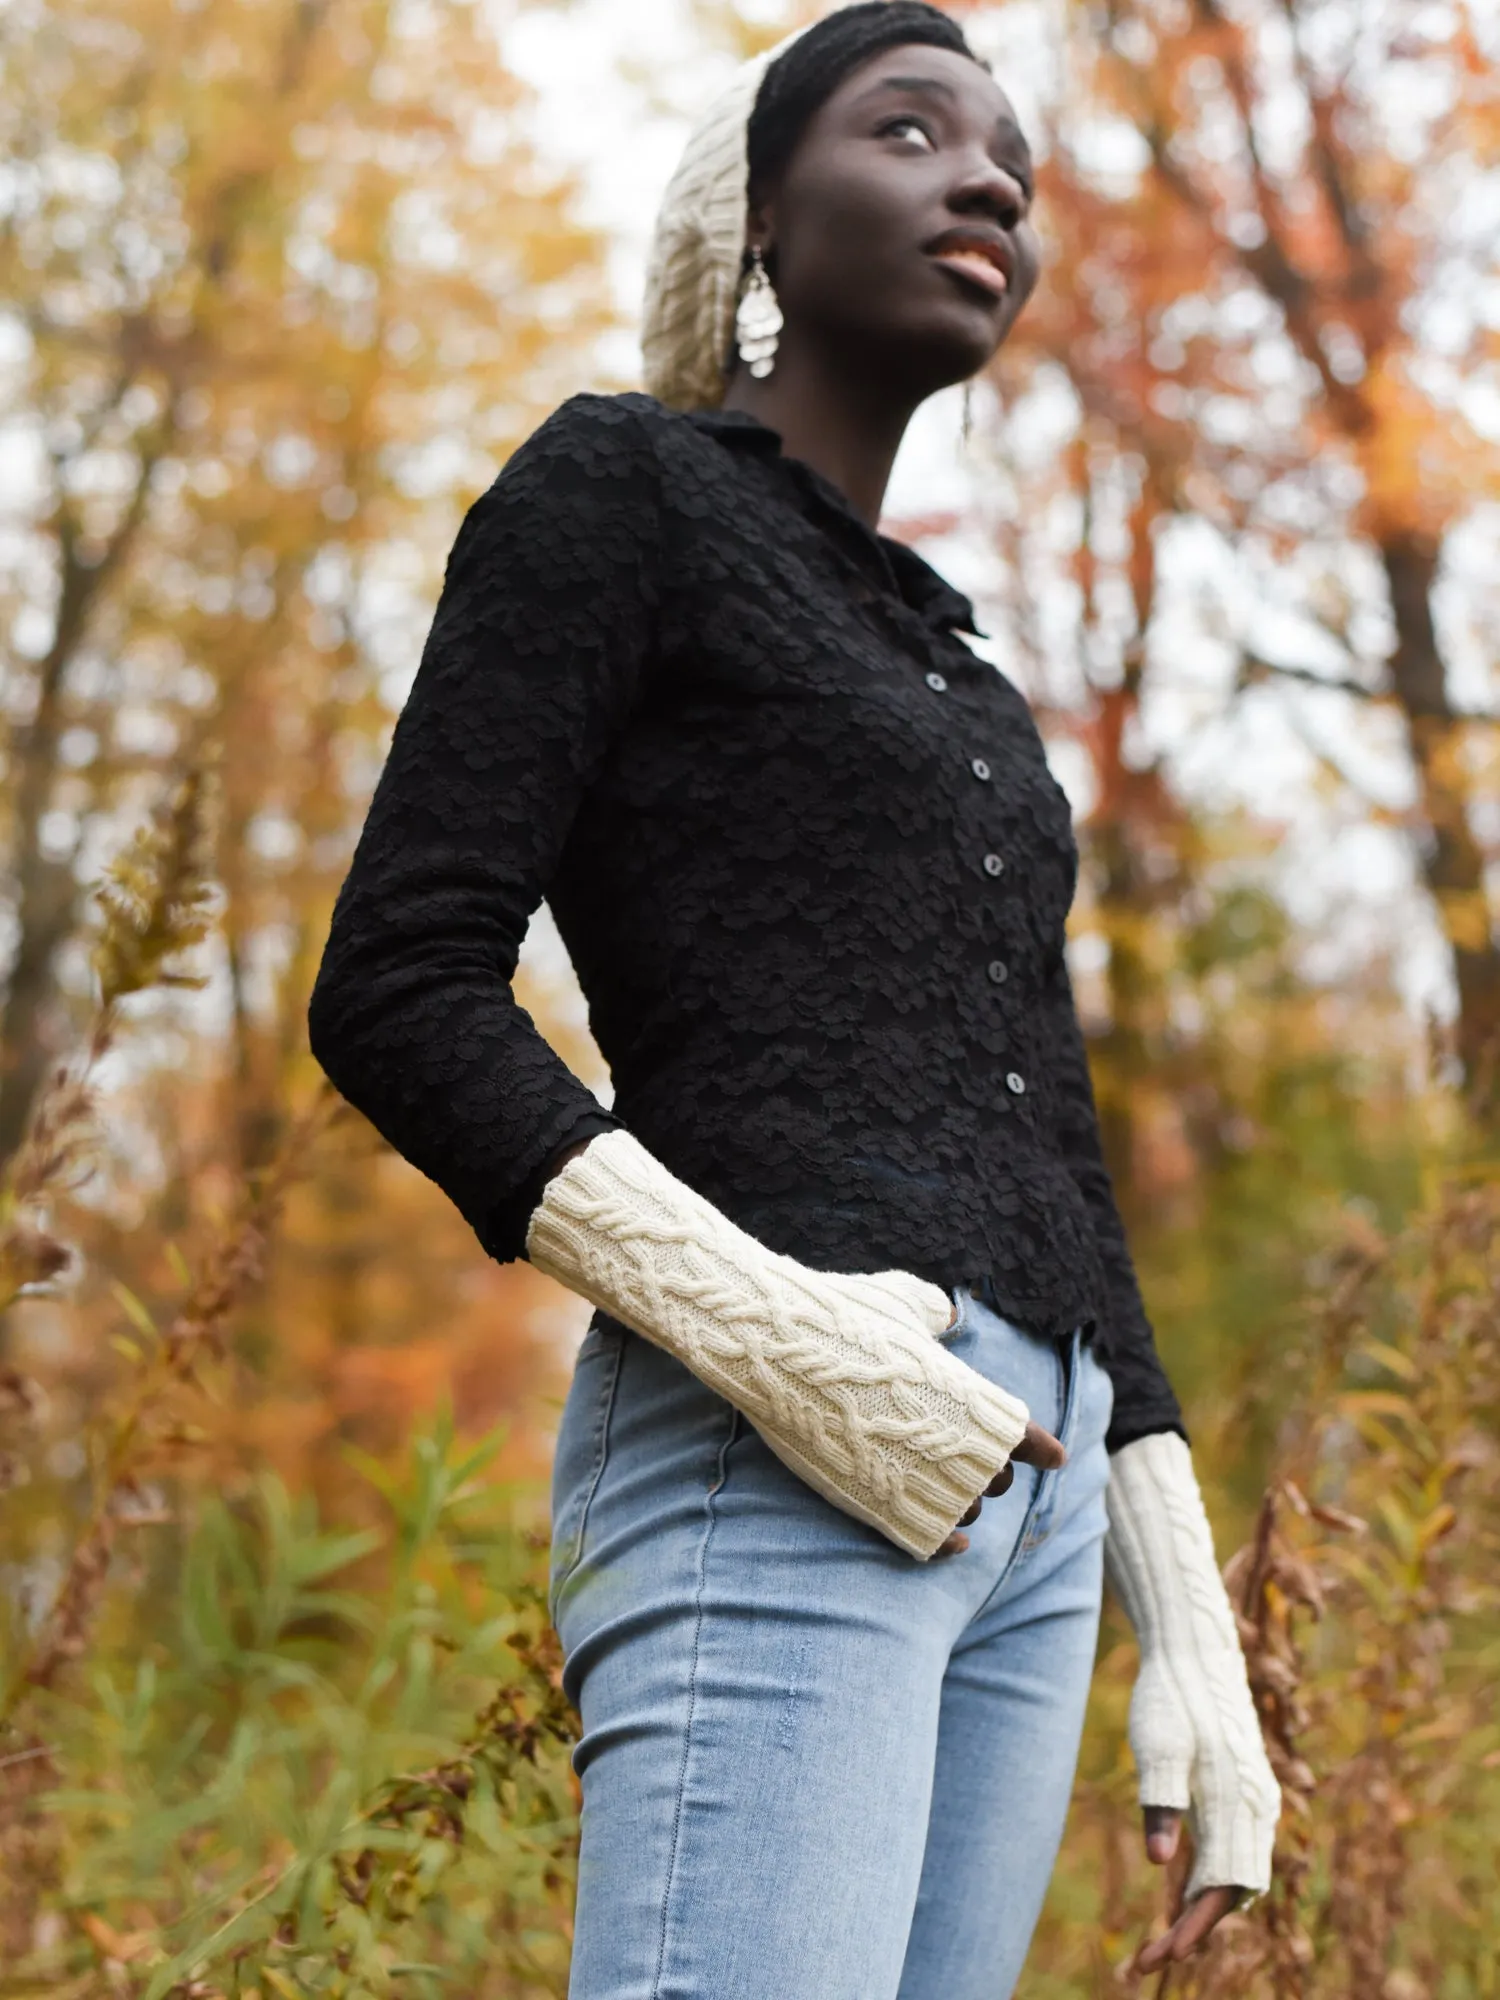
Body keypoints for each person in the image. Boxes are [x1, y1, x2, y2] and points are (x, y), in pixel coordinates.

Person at [307, 6, 1280, 1995]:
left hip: (1034, 1511)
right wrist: (778, 1337)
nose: (988, 175)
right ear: (757, 218)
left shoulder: (972, 684)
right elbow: (397, 983)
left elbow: (1058, 1154)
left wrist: (1188, 1613)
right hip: (785, 1441)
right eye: (910, 128)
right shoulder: (621, 490)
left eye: (1009, 149)